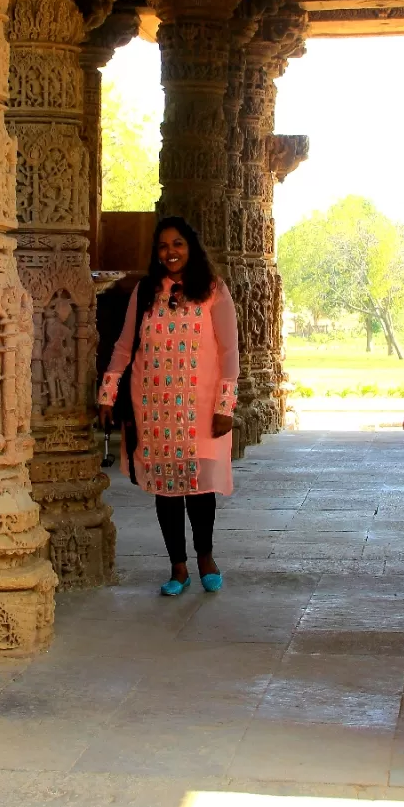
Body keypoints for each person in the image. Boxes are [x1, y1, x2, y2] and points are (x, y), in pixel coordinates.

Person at [98, 216, 239, 597]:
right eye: (163, 246)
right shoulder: (146, 292)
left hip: (200, 406)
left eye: (177, 244)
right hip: (154, 407)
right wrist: (108, 393)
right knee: (165, 488)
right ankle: (178, 567)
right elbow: (125, 346)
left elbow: (229, 350)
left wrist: (226, 405)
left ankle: (206, 557)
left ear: (190, 247)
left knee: (198, 486)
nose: (170, 252)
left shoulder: (212, 290)